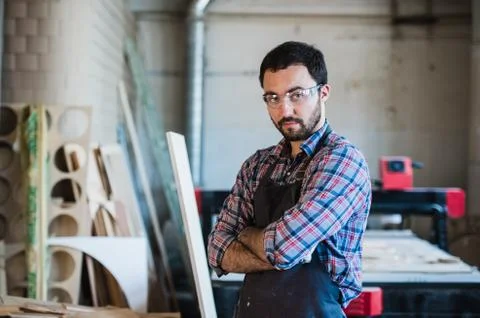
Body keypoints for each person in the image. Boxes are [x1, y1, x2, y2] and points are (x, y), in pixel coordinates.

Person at [207, 41, 372, 318]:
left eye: (296, 95)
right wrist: (276, 248)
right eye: (273, 98)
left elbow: (284, 248)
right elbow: (217, 250)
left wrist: (246, 236)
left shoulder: (342, 161)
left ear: (323, 92)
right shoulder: (257, 165)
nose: (284, 110)